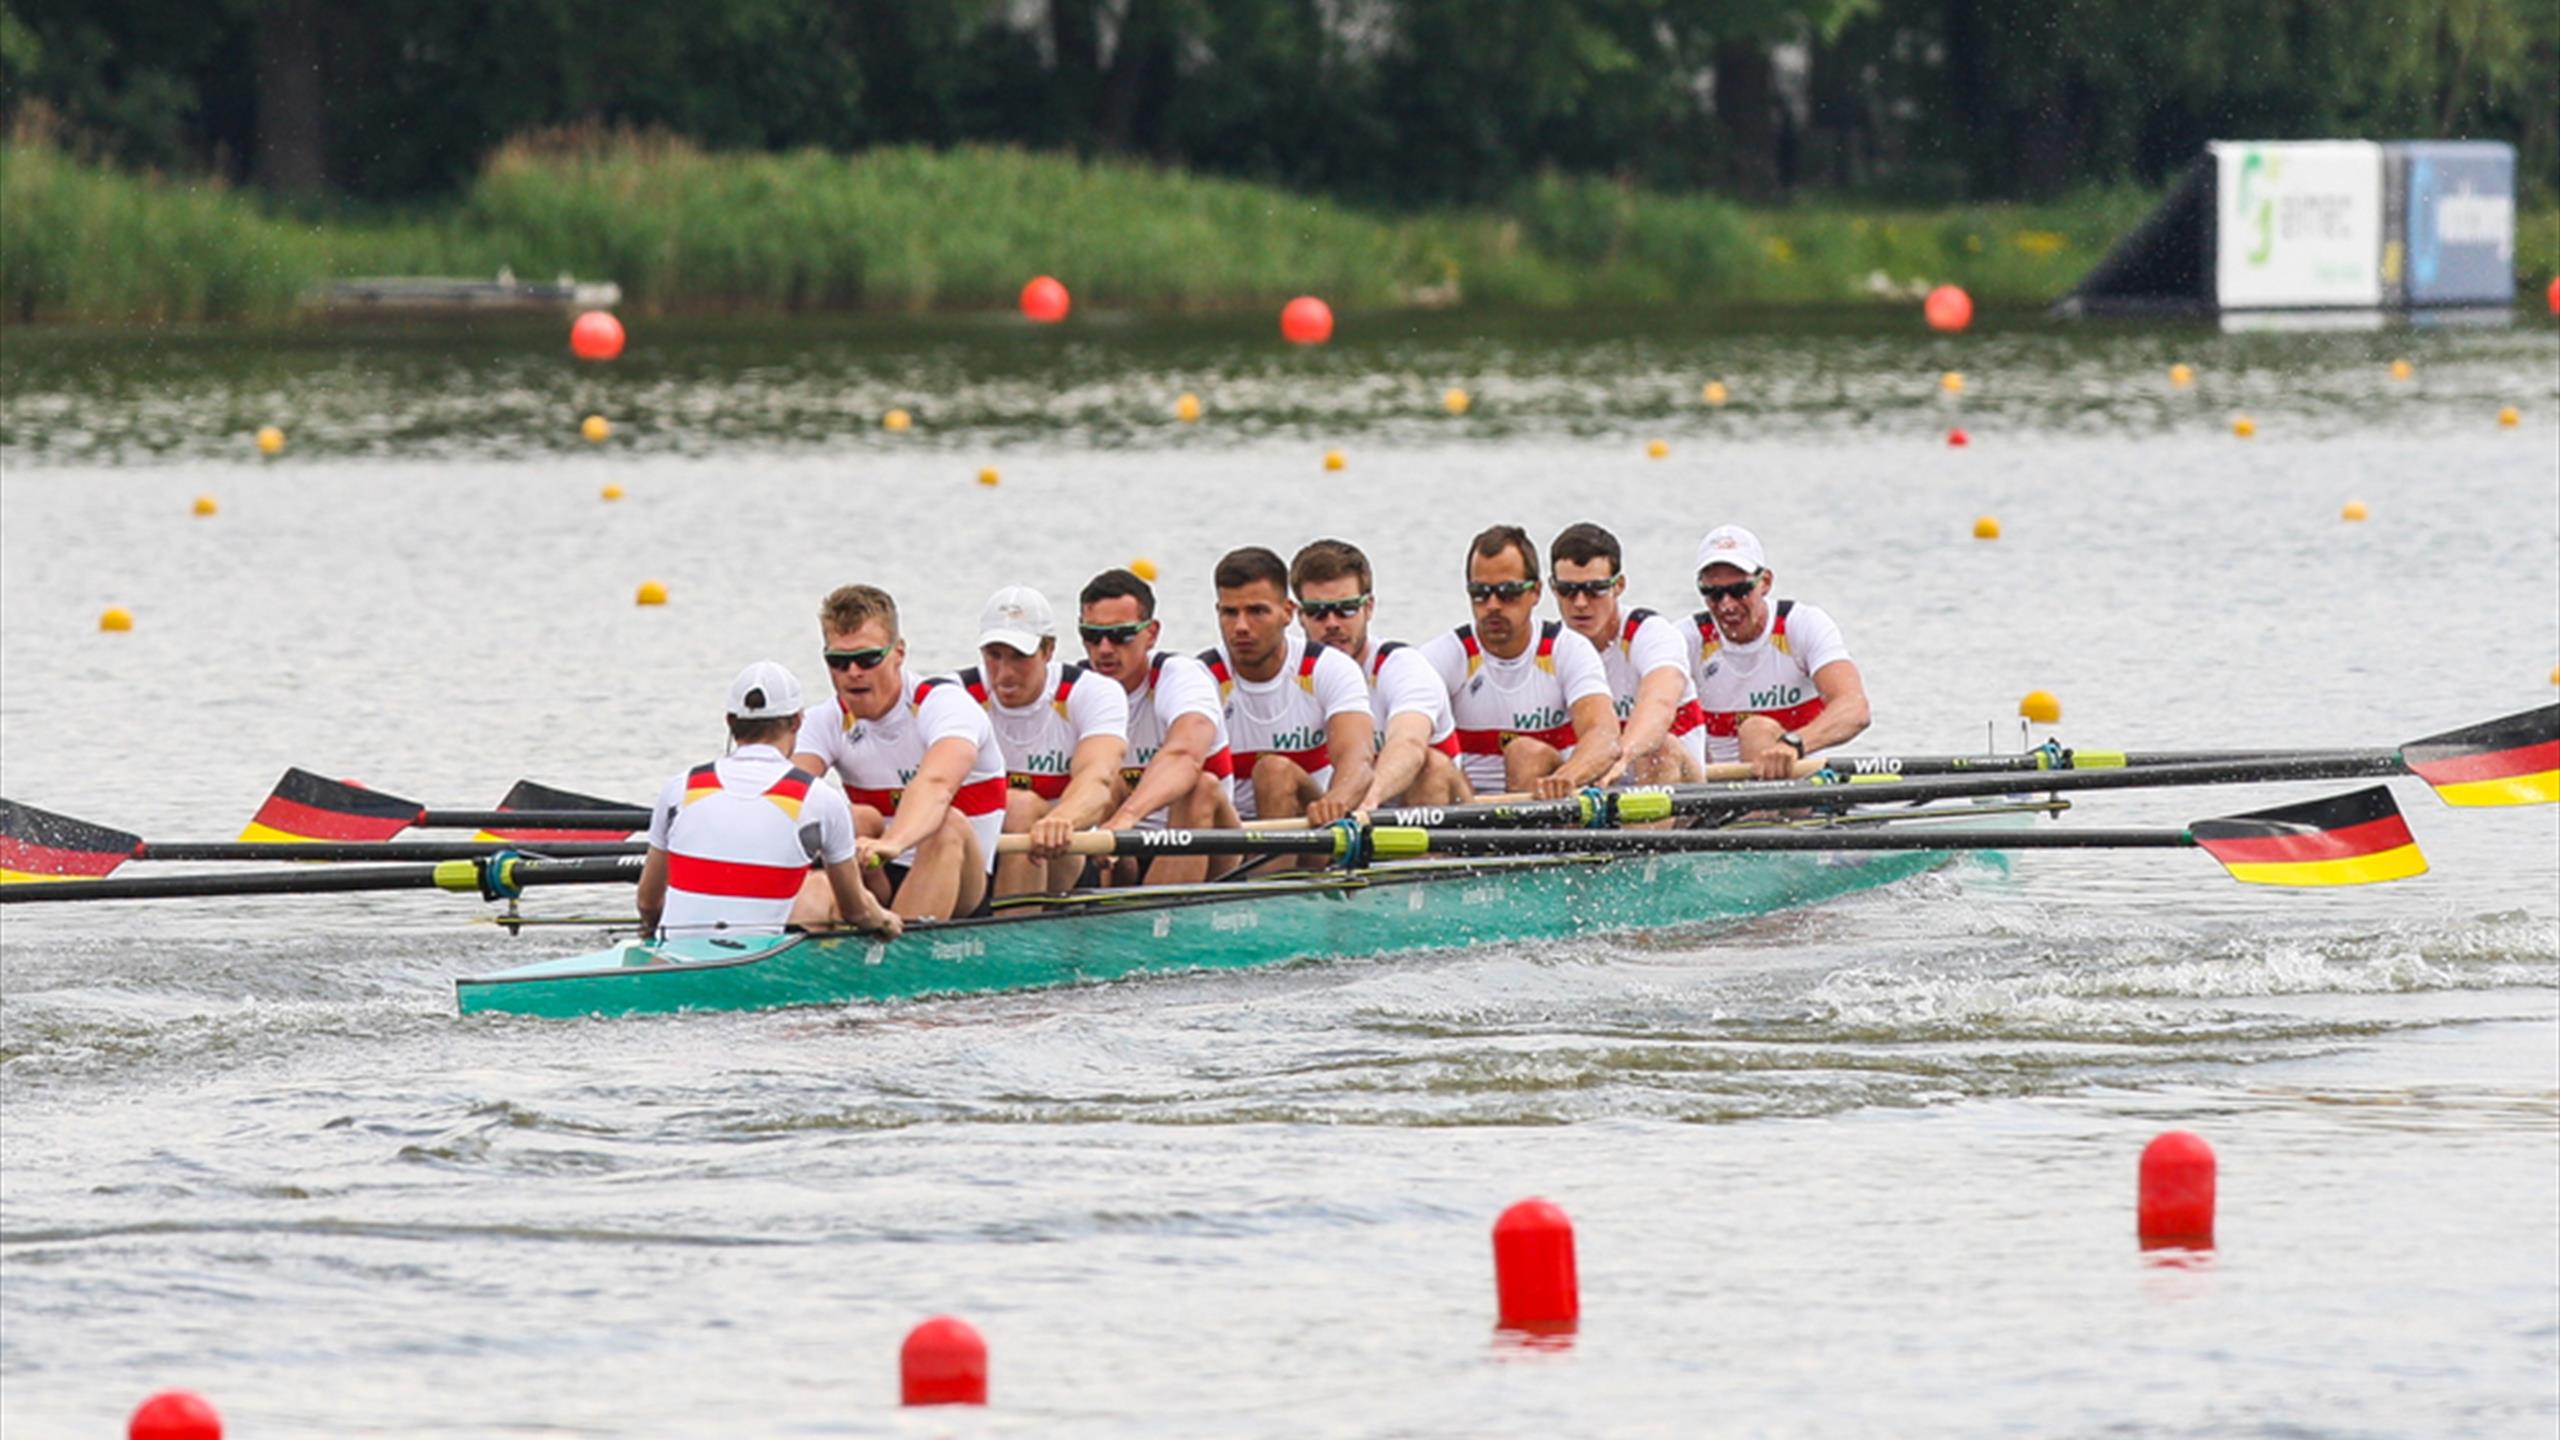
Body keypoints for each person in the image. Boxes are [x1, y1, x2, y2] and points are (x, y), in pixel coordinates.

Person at [636, 662, 901, 944]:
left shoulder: (681, 787)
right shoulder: (821, 799)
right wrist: (885, 919)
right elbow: (857, 911)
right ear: (798, 722)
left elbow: (647, 903)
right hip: (757, 963)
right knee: (821, 886)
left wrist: (653, 934)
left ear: (730, 722)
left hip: (675, 953)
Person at [790, 584, 1008, 921]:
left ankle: (895, 963)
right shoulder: (825, 720)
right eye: (838, 661)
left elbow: (937, 784)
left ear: (899, 653)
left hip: (962, 880)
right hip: (880, 878)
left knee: (945, 823)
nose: (853, 673)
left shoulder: (944, 705)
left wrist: (893, 843)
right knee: (848, 823)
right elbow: (787, 796)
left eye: (868, 658)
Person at [1416, 525, 1621, 799]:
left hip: (1543, 798)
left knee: (1525, 753)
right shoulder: (1443, 656)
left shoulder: (1567, 650)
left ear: (1535, 592)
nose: (1492, 605)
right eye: (1480, 593)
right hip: (1466, 806)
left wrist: (1566, 777)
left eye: (1508, 592)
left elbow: (1604, 736)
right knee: (1428, 761)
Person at [957, 585, 1129, 898]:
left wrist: (1061, 819)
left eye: (1019, 657)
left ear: (1049, 650)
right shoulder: (956, 694)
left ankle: (1015, 940)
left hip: (1061, 857)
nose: (1004, 673)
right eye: (993, 656)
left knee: (1020, 806)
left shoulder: (1092, 693)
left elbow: (1098, 780)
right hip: (980, 856)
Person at [1077, 567, 1240, 885]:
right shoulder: (1078, 689)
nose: (1105, 649)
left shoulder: (1181, 677)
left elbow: (1185, 756)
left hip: (1203, 843)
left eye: (1121, 634)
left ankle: (1163, 920)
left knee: (1199, 787)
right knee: (1101, 785)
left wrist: (1125, 819)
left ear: (1151, 633)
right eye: (1092, 636)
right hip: (1120, 853)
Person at [1288, 538, 1471, 809]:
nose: (1332, 624)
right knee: (1274, 772)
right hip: (1346, 816)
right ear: (1300, 615)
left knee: (1430, 764)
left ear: (1369, 607)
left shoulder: (1403, 667)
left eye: (1346, 609)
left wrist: (1367, 801)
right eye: (1318, 613)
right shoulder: (1289, 675)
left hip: (1421, 808)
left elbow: (1408, 743)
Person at [1201, 546, 1375, 827]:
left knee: (1273, 771)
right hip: (1230, 836)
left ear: (1288, 612)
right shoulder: (1202, 678)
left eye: (1257, 611)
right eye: (1230, 613)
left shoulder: (1327, 668)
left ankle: (1273, 872)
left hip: (1311, 827)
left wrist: (1337, 801)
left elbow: (1360, 761)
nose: (1241, 626)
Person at [1686, 524, 1872, 780]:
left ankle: (1758, 816)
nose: (1727, 605)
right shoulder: (1686, 639)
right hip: (1714, 793)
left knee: (1756, 731)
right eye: (1713, 594)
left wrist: (1794, 743)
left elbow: (1855, 709)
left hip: (1797, 790)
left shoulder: (1802, 625)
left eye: (1739, 591)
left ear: (1765, 582)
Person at [1548, 522, 1707, 785]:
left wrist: (1621, 756)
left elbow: (1659, 703)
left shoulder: (1651, 634)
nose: (1580, 603)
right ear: (1552, 588)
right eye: (1567, 590)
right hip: (1597, 792)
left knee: (1658, 748)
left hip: (1680, 793)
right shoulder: (1551, 649)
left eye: (1595, 589)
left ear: (1618, 585)